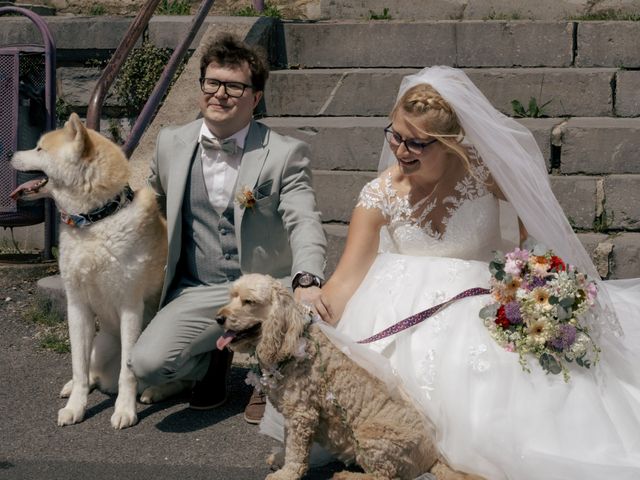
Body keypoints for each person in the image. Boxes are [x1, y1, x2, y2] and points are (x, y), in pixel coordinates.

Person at [304, 67, 640, 479]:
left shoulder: (485, 172)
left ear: (448, 143)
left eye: (416, 143)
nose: (401, 150)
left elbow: (531, 230)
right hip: (394, 308)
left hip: (476, 299)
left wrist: (533, 277)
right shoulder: (378, 195)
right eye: (394, 135)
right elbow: (346, 279)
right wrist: (312, 317)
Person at [129, 33, 326, 424]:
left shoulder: (284, 153)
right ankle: (211, 359)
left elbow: (304, 219)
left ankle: (266, 376)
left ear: (255, 98)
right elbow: (145, 203)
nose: (220, 93)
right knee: (147, 365)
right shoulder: (171, 142)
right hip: (200, 287)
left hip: (268, 287)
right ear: (201, 87)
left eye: (234, 85)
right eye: (212, 82)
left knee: (291, 322)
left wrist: (307, 278)